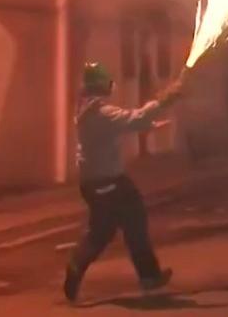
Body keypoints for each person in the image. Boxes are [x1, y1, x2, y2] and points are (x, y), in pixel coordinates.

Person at [63, 62, 189, 302]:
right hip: (109, 182)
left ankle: (76, 266)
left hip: (92, 183)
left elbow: (123, 125)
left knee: (101, 231)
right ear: (102, 85)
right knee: (135, 219)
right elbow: (134, 117)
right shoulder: (101, 113)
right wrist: (168, 97)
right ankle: (149, 276)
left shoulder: (87, 111)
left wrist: (149, 125)